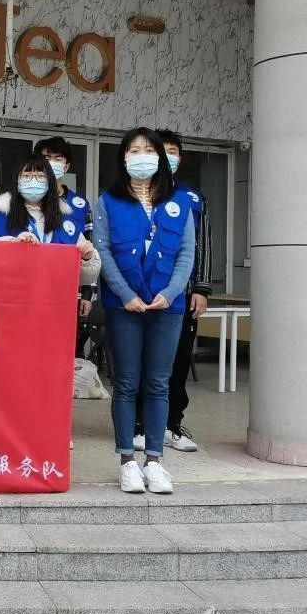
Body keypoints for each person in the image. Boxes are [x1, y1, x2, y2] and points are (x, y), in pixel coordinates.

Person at [93, 127, 195, 495]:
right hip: (124, 306)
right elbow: (102, 251)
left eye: (149, 150)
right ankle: (127, 462)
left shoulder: (180, 201)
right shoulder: (108, 201)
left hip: (168, 306)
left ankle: (154, 461)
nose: (142, 157)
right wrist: (124, 294)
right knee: (126, 384)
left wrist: (170, 292)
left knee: (158, 384)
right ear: (123, 158)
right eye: (134, 150)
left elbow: (186, 253)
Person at [133, 129, 212, 453]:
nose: (168, 157)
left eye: (173, 151)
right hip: (143, 293)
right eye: (160, 151)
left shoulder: (192, 199)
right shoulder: (136, 195)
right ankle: (139, 425)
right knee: (141, 361)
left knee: (177, 362)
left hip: (182, 295)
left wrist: (201, 289)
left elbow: (202, 244)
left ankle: (171, 425)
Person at [35, 136, 96, 354]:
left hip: (68, 293)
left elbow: (89, 249)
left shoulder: (79, 205)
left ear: (67, 166)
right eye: (45, 158)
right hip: (32, 290)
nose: (51, 163)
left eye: (57, 159)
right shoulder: (26, 200)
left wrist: (88, 294)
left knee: (66, 353)